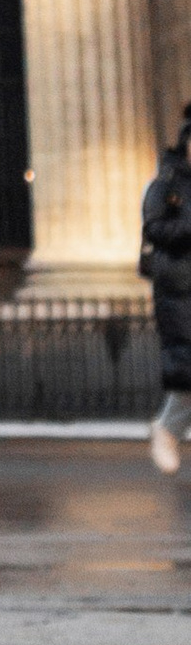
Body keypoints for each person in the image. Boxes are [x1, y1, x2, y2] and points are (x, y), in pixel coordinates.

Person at [144, 103, 191, 474]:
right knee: (187, 374)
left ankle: (168, 429)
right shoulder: (166, 185)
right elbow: (155, 230)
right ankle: (166, 429)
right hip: (181, 290)